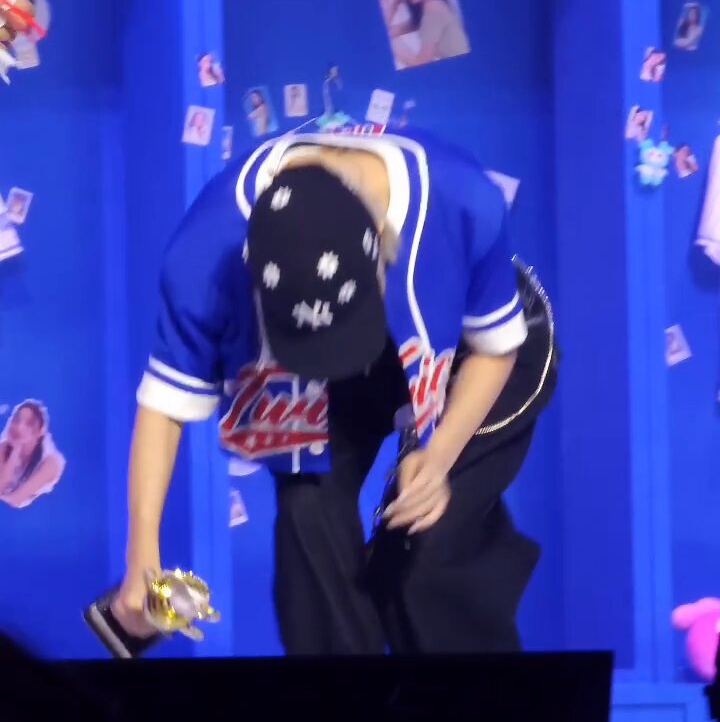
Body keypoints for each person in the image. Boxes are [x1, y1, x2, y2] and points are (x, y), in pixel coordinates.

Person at [109, 120, 556, 655]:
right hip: (317, 367)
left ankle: (477, 707)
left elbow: (495, 350)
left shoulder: (465, 202)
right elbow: (164, 406)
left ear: (383, 248)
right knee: (307, 525)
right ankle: (344, 702)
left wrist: (437, 457)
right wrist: (141, 555)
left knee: (425, 555)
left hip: (474, 347)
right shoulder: (205, 255)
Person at [381, 0, 470, 68]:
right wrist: (395, 2)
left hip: (464, 67)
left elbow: (422, 63)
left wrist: (394, 47)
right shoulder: (422, 14)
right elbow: (385, 32)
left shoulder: (434, 6)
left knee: (393, 43)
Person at [0, 400, 65, 508]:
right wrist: (15, 452)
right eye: (16, 420)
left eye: (29, 424)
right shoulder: (4, 447)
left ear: (40, 432)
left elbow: (16, 500)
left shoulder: (51, 462)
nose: (19, 427)